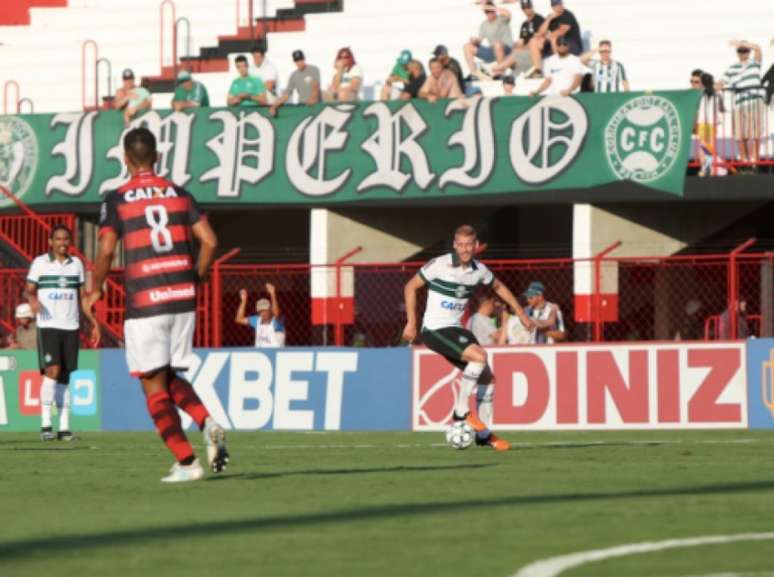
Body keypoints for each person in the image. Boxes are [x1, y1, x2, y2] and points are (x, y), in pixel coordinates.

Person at [85, 128, 228, 483]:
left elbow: (106, 250)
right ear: (157, 157)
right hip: (182, 299)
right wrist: (196, 276)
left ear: (124, 158)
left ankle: (186, 462)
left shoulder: (116, 198)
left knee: (151, 384)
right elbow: (209, 241)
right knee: (165, 375)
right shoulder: (180, 194)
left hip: (146, 301)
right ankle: (206, 421)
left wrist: (95, 288)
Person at [402, 225, 534, 451]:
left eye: (468, 245)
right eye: (460, 245)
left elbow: (499, 286)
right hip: (434, 329)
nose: (464, 249)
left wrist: (520, 313)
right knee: (480, 356)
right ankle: (461, 410)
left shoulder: (479, 270)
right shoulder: (439, 265)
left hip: (455, 328)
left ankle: (484, 435)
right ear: (455, 245)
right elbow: (410, 286)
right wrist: (412, 322)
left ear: (475, 245)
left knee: (487, 379)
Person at [26, 226, 100, 442]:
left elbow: (83, 299)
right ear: (50, 241)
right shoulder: (40, 263)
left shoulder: (76, 264)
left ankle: (65, 428)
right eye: (58, 239)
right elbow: (29, 288)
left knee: (66, 375)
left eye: (66, 239)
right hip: (48, 325)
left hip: (71, 326)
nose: (62, 243)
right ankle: (45, 425)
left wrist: (94, 322)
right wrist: (32, 300)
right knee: (53, 370)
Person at [718, 40, 765, 173]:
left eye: (745, 50)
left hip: (754, 101)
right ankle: (744, 160)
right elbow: (721, 82)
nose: (743, 52)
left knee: (755, 132)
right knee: (740, 134)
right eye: (740, 50)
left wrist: (743, 43)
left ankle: (754, 161)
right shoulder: (732, 68)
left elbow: (758, 48)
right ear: (737, 53)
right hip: (739, 103)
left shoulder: (755, 63)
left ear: (749, 52)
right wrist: (713, 86)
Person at [527, 0, 583, 77]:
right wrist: (548, 19)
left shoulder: (567, 15)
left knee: (555, 38)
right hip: (556, 43)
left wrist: (546, 37)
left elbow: (562, 31)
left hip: (572, 45)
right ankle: (538, 70)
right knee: (533, 41)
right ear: (552, 7)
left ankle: (559, 67)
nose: (559, 6)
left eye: (559, 4)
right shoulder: (551, 17)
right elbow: (540, 32)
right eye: (556, 5)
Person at [492, 0, 545, 77]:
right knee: (513, 50)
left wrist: (522, 48)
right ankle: (499, 71)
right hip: (524, 52)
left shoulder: (539, 19)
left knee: (516, 54)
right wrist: (517, 47)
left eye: (528, 7)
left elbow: (541, 38)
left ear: (532, 7)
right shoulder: (524, 24)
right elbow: (521, 42)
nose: (526, 9)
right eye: (524, 7)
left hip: (534, 52)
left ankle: (496, 69)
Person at [463, 0, 513, 79]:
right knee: (467, 46)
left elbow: (508, 13)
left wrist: (491, 7)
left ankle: (501, 73)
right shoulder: (484, 23)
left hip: (506, 49)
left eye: (491, 11)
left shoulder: (502, 19)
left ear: (494, 10)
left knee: (497, 44)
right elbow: (480, 40)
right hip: (492, 50)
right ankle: (474, 73)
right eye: (487, 12)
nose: (489, 13)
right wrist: (474, 41)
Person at [693, 71, 728, 177]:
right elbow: (722, 108)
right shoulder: (715, 94)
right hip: (711, 123)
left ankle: (708, 169)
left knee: (704, 147)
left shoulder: (700, 93)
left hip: (704, 123)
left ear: (702, 83)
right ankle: (709, 168)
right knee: (708, 146)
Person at [269, 50, 321, 116]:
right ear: (294, 62)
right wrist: (274, 106)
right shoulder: (293, 75)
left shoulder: (314, 69)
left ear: (304, 59)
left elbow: (315, 86)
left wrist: (313, 98)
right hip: (302, 107)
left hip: (316, 106)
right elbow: (286, 95)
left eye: (300, 59)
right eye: (297, 61)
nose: (299, 62)